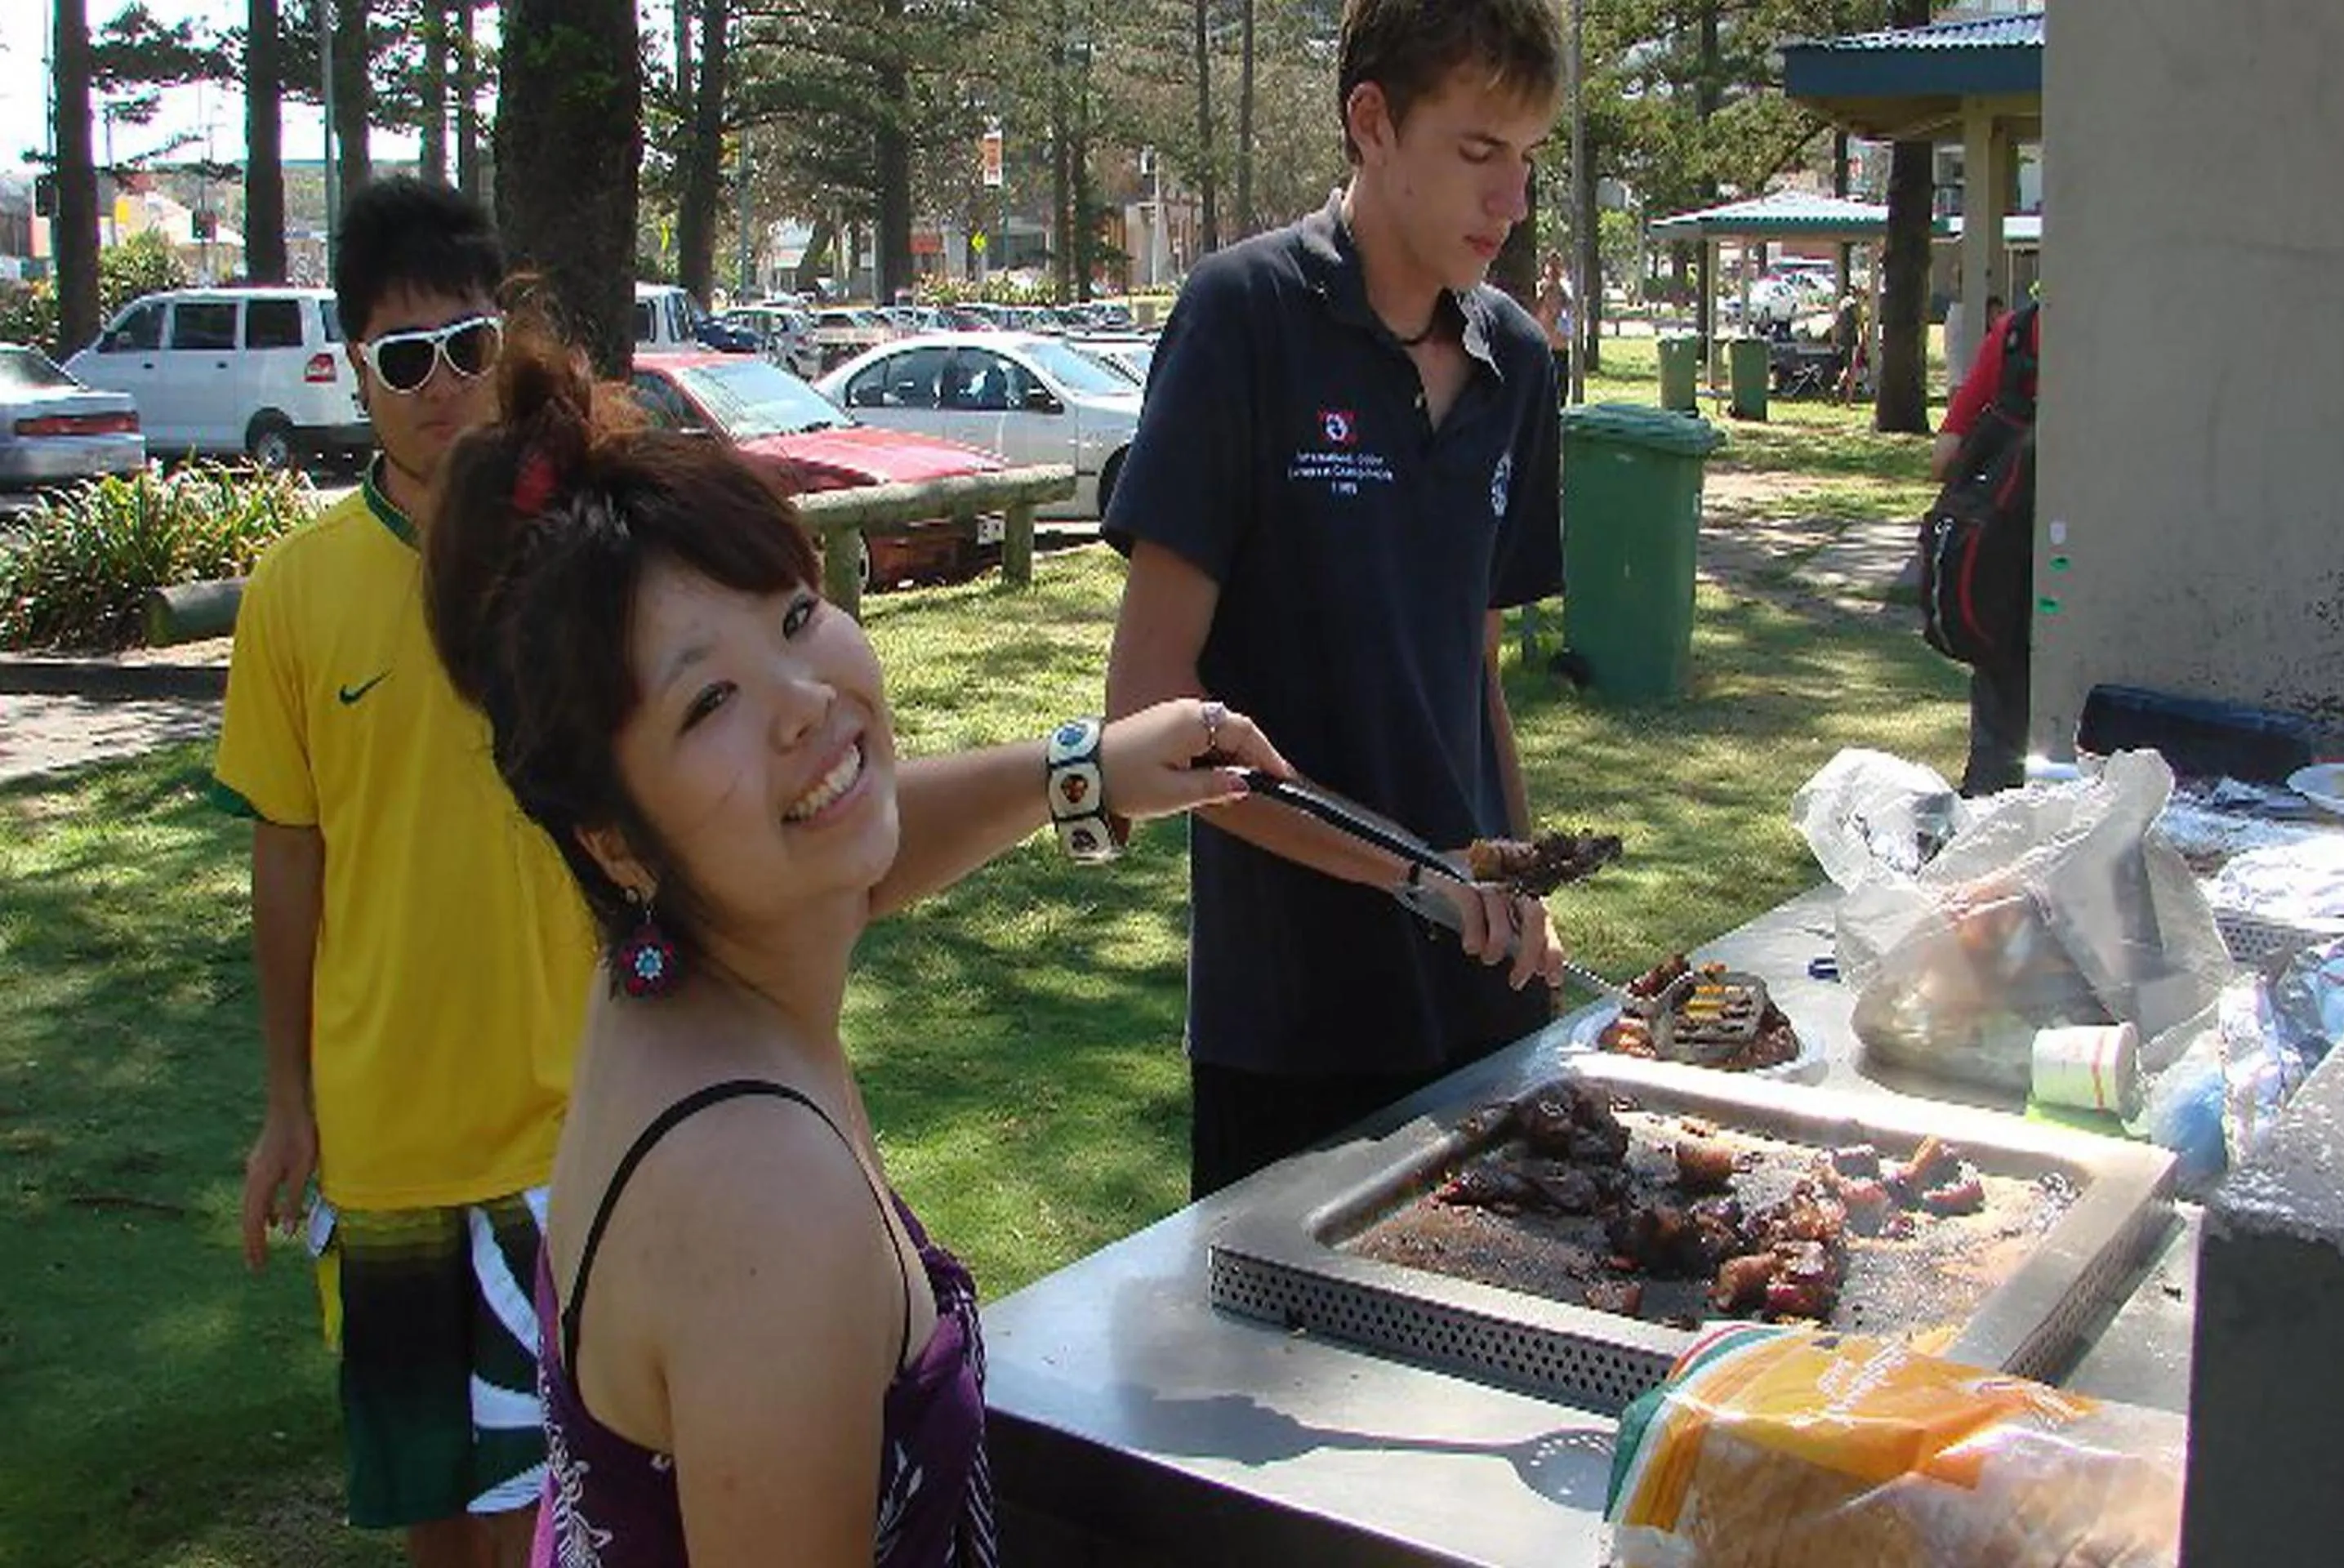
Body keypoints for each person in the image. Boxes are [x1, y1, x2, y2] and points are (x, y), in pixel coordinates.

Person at [418, 324, 1292, 1565]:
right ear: (612, 837)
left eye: (793, 615)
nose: (805, 703)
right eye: (707, 701)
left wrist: (1088, 771)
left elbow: (847, 856)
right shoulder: (763, 1206)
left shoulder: (665, 980)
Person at [1103, 0, 1571, 1200]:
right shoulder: (1243, 317)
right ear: (1371, 121)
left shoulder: (1519, 366)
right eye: (1479, 151)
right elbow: (1150, 707)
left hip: (1480, 999)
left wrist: (1516, 883)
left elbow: (1472, 671)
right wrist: (1413, 872)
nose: (1511, 201)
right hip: (1292, 1026)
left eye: (1527, 159)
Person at [214, 176, 593, 1566]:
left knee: (585, 1504)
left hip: (580, 1120)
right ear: (355, 364)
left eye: (467, 348)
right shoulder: (295, 591)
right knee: (442, 1514)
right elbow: (288, 852)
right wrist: (288, 1104)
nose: (442, 389)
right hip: (390, 1149)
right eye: (404, 357)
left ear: (506, 341)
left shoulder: (577, 553)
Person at [1932, 298, 2042, 795]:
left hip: (2004, 556)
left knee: (2001, 692)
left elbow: (1944, 457)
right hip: (2090, 550)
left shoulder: (2016, 334)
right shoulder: (2118, 329)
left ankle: (1989, 799)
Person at [1534, 249, 1574, 397]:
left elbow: (1570, 310)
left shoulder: (1566, 290)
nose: (1554, 270)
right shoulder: (1541, 288)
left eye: (1557, 265)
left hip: (1561, 346)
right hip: (1545, 345)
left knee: (1561, 390)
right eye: (1551, 265)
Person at [1831, 291, 1865, 405]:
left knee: (1848, 367)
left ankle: (1837, 388)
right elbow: (1860, 323)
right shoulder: (1855, 305)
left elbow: (1835, 324)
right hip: (1853, 340)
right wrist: (1864, 339)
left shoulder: (1842, 304)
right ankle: (1849, 400)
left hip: (1843, 340)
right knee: (1853, 370)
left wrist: (1834, 340)